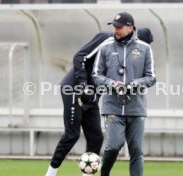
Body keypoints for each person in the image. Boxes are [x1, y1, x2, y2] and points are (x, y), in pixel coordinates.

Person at [45, 26, 154, 176]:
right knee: (72, 135)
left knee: (96, 138)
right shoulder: (106, 39)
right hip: (74, 89)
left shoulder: (128, 54)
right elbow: (79, 57)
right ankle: (50, 174)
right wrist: (83, 86)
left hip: (93, 98)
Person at [92, 12, 156, 176]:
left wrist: (134, 84)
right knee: (114, 145)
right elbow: (96, 75)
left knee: (136, 151)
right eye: (114, 26)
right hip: (112, 107)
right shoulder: (105, 47)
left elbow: (151, 77)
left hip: (136, 108)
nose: (116, 30)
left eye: (119, 27)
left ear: (130, 27)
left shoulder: (145, 48)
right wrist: (112, 83)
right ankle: (104, 172)